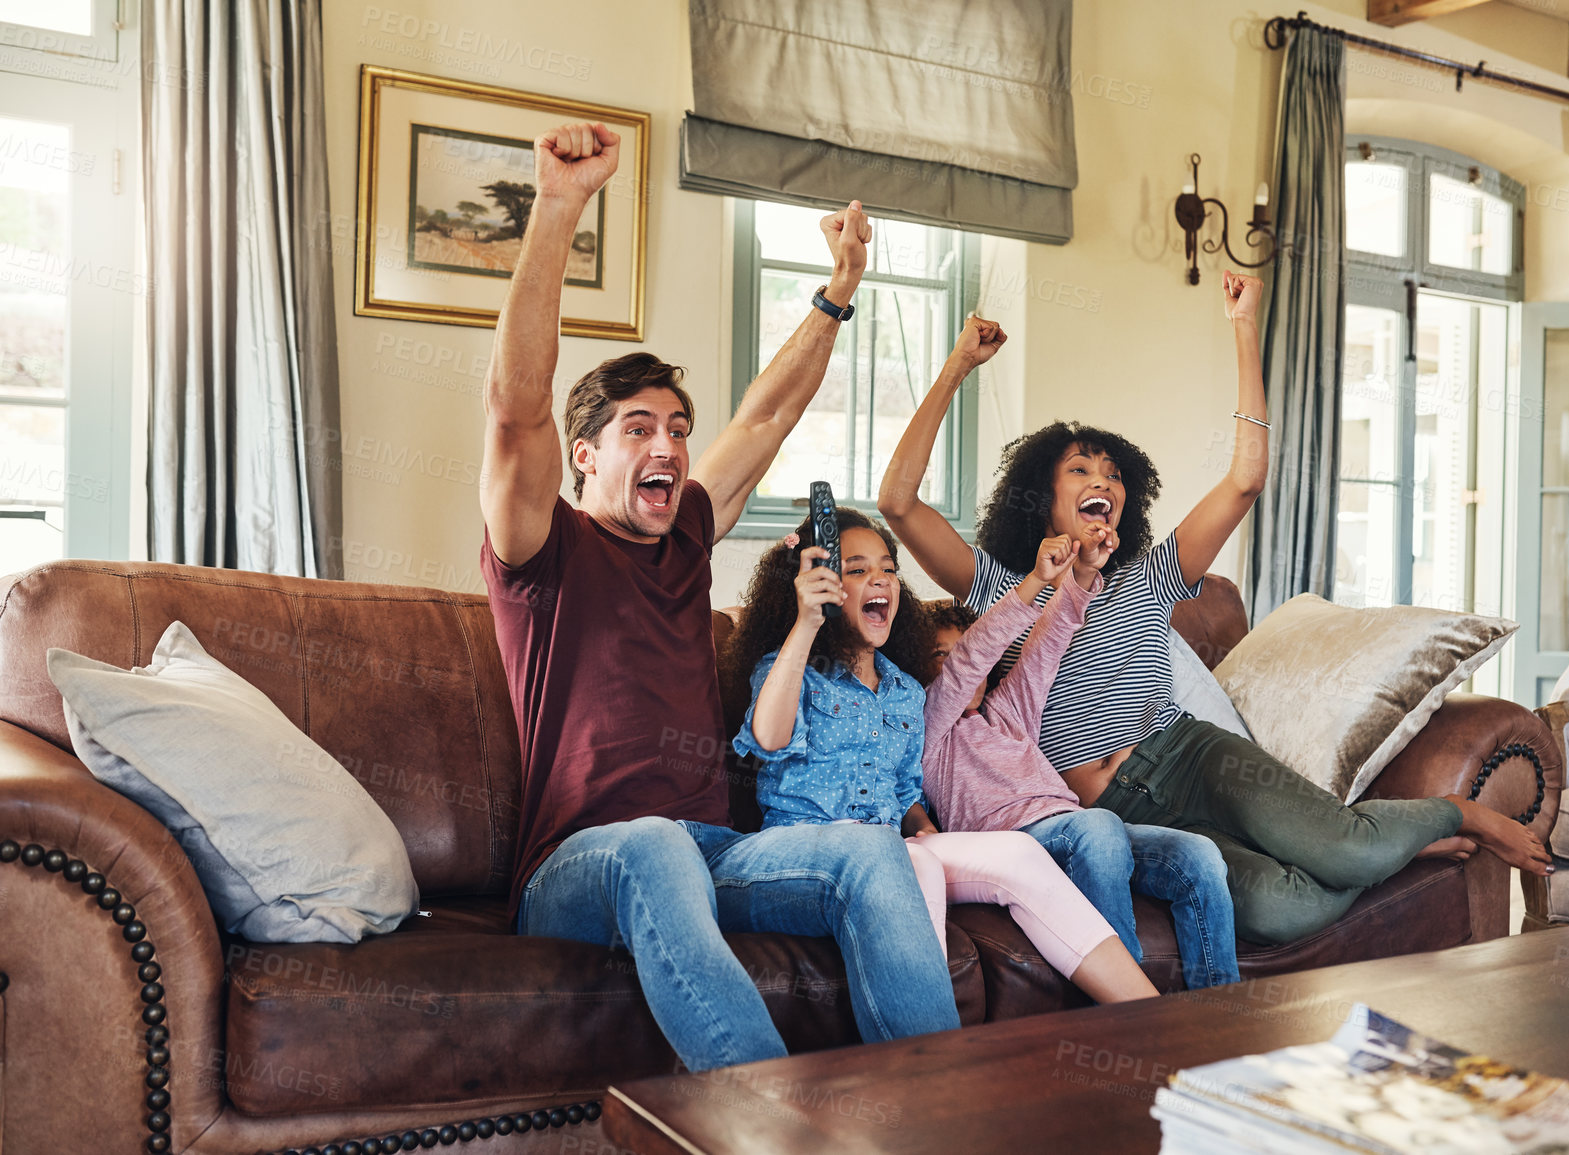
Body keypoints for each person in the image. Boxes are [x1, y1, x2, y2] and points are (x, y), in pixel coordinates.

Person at [480, 120, 958, 1072]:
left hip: (711, 852)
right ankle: (764, 1124)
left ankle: (940, 1109)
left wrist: (839, 290)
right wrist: (561, 208)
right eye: (636, 429)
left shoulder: (688, 530)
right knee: (652, 841)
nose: (667, 446)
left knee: (871, 852)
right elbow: (516, 402)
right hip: (582, 866)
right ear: (584, 456)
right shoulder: (542, 549)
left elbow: (768, 413)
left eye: (677, 429)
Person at [878, 275, 1552, 946]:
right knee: (1281, 912)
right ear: (1041, 497)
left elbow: (1243, 480)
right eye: (1081, 470)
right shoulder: (1003, 591)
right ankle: (1385, 848)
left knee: (1348, 851)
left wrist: (1243, 324)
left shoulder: (1149, 576)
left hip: (1190, 755)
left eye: (1112, 474)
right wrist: (956, 366)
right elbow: (898, 503)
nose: (1102, 482)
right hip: (1118, 816)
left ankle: (1450, 815)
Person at [726, 511, 1158, 1004]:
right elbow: (770, 738)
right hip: (810, 848)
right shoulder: (788, 669)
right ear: (820, 585)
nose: (879, 580)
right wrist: (805, 624)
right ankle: (922, 1039)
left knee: (1017, 852)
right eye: (856, 569)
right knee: (916, 866)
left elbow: (904, 791)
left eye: (888, 569)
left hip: (890, 842)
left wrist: (922, 824)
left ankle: (1145, 1018)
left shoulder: (906, 693)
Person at [922, 519, 1240, 990]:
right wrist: (1033, 582)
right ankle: (1127, 1005)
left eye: (964, 653)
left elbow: (1046, 646)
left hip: (1076, 830)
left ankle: (1216, 1014)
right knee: (1099, 825)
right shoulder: (930, 726)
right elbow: (970, 661)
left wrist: (1081, 576)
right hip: (1017, 841)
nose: (963, 665)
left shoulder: (1006, 711)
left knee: (1198, 856)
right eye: (939, 655)